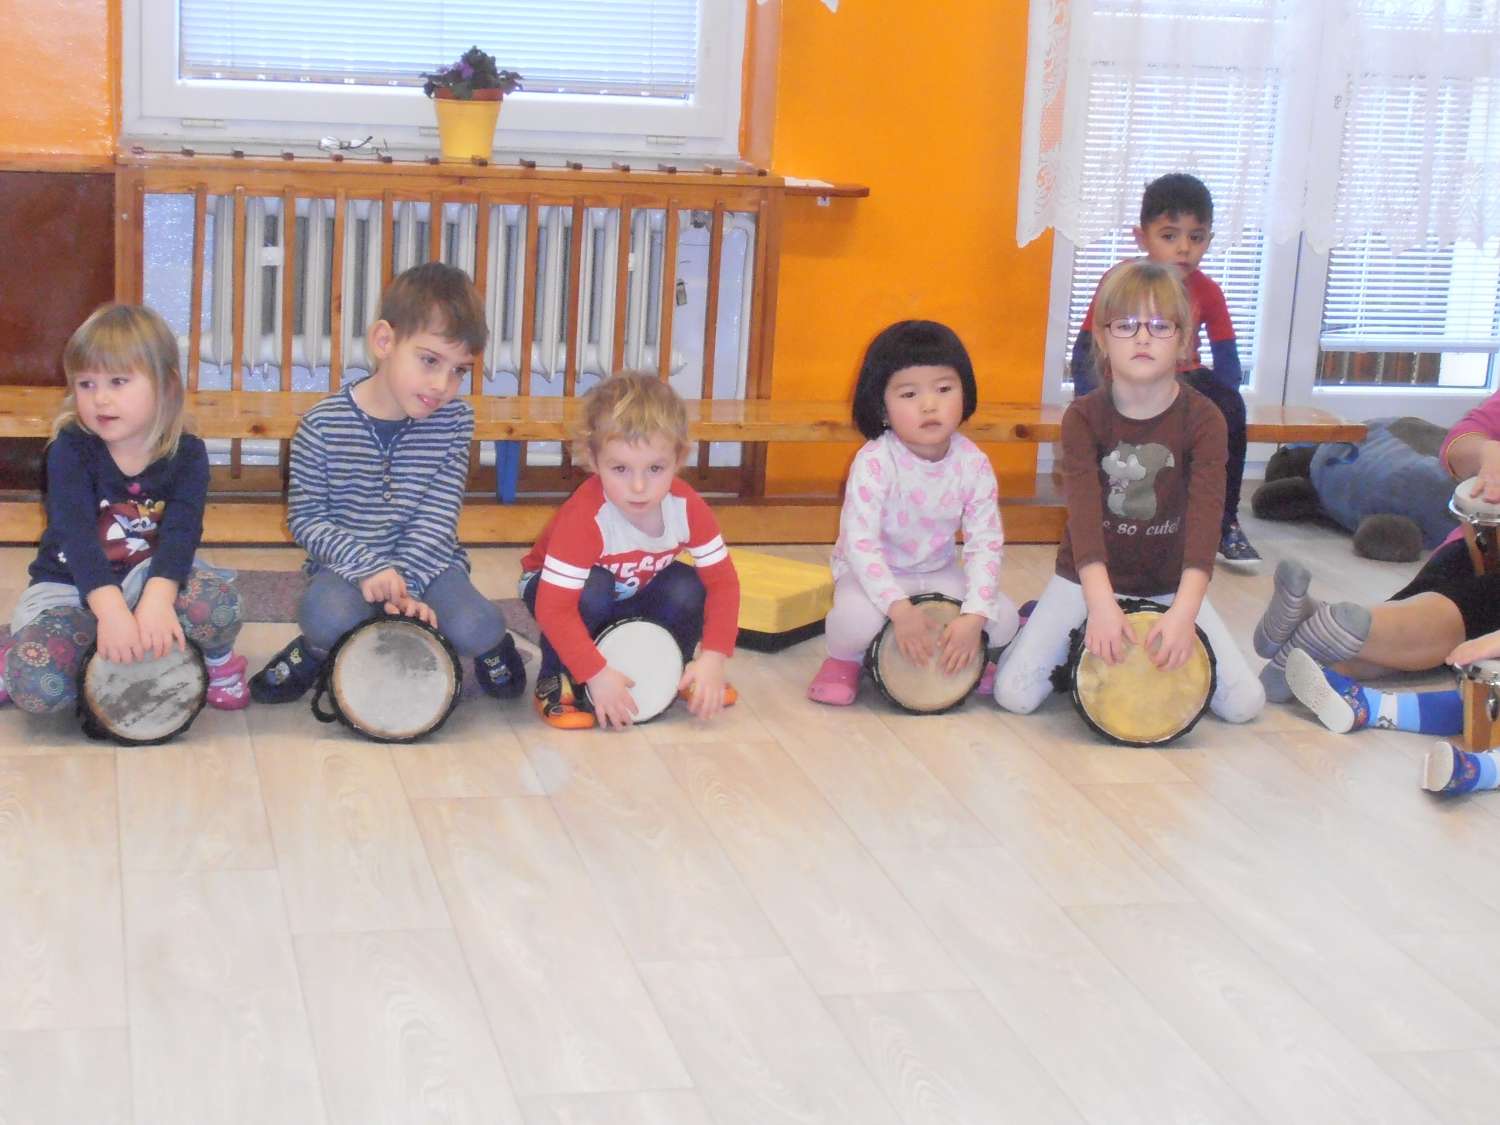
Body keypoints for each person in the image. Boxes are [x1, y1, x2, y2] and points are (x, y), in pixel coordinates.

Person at [995, 259, 1264, 724]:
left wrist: (1183, 613)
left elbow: (1205, 528)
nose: (1142, 337)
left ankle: (1101, 631)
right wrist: (1100, 605)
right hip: (1086, 580)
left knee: (1243, 705)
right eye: (1126, 325)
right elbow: (1083, 520)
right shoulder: (1083, 417)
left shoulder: (1205, 419)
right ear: (1102, 338)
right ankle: (1050, 627)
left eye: (1159, 325)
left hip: (1169, 584)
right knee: (1014, 695)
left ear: (1183, 340)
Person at [249, 262, 525, 704]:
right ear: (384, 341)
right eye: (430, 360)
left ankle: (491, 646)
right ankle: (317, 650)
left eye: (460, 370)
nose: (443, 385)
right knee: (326, 617)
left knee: (478, 626)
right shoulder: (321, 425)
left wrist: (406, 585)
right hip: (347, 568)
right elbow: (307, 520)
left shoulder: (455, 421)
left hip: (430, 564)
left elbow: (438, 518)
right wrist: (369, 570)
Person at [0, 304, 246, 714]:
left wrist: (157, 600)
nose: (100, 398)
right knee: (37, 689)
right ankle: (23, 653)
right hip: (70, 590)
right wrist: (112, 613)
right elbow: (77, 539)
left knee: (219, 604)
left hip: (149, 578)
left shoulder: (188, 453)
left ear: (166, 386)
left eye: (118, 381)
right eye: (86, 384)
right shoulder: (69, 450)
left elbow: (182, 534)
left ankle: (218, 663)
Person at [806, 320, 1018, 705]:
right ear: (882, 407)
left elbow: (985, 544)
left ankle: (971, 656)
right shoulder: (874, 461)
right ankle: (844, 661)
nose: (929, 404)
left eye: (944, 389)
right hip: (872, 573)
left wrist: (974, 617)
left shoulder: (973, 462)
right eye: (909, 393)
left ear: (965, 393)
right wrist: (898, 610)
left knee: (1003, 618)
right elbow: (860, 545)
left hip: (938, 571)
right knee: (856, 620)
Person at [520, 372, 740, 730]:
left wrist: (714, 658)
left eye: (655, 468)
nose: (639, 486)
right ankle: (556, 678)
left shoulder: (688, 507)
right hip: (553, 591)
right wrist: (595, 673)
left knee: (688, 586)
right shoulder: (585, 518)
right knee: (593, 590)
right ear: (594, 460)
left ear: (679, 458)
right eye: (620, 468)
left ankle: (680, 668)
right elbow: (553, 608)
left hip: (631, 588)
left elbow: (723, 585)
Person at [1255, 391, 1500, 702]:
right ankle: (1320, 640)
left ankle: (1315, 630)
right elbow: (1459, 444)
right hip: (1474, 542)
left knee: (1465, 607)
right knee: (1439, 593)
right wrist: (1487, 452)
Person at [1071, 173, 1259, 568]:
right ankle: (1107, 518)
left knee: (1232, 408)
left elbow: (1226, 357)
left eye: (1197, 237)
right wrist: (1089, 397)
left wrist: (1218, 407)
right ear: (1142, 238)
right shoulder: (1120, 281)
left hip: (1184, 375)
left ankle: (1225, 521)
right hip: (1127, 374)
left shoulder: (1209, 291)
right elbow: (1088, 343)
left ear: (1209, 239)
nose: (1184, 248)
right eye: (1170, 236)